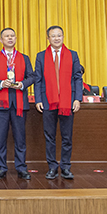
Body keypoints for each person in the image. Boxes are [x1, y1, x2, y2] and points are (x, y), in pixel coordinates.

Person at [0, 28, 36, 180]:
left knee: (20, 138)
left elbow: (32, 76)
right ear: (1, 40)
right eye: (6, 36)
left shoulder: (24, 58)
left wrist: (22, 84)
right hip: (0, 104)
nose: (10, 38)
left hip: (19, 103)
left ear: (15, 38)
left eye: (12, 36)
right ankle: (1, 168)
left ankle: (21, 167)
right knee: (0, 138)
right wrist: (1, 83)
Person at [34, 26, 82, 180]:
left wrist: (77, 98)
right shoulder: (41, 56)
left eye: (59, 35)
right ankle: (52, 167)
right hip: (48, 101)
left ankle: (66, 167)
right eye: (53, 36)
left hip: (68, 101)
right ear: (48, 38)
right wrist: (38, 99)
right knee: (50, 136)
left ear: (63, 37)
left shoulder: (72, 55)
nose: (56, 38)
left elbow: (77, 78)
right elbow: (38, 79)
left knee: (67, 136)